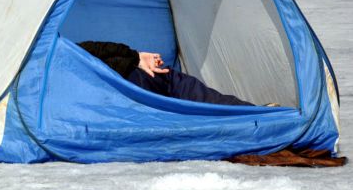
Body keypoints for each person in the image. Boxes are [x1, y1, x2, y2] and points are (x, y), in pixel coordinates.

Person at [78, 41, 253, 106]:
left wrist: (136, 57)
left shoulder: (55, 53)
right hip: (131, 82)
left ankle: (250, 114)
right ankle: (251, 113)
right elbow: (95, 48)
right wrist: (135, 57)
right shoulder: (60, 50)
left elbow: (95, 49)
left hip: (125, 84)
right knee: (180, 86)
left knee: (180, 90)